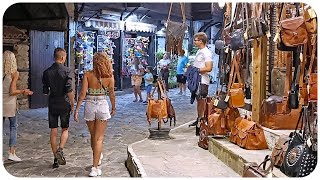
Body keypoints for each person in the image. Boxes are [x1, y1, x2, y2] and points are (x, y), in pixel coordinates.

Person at [74, 52, 116, 177]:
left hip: (90, 104)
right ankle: (95, 167)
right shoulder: (109, 76)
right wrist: (113, 107)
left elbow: (82, 94)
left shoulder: (87, 75)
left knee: (93, 136)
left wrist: (76, 110)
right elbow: (112, 94)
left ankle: (97, 158)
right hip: (102, 104)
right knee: (99, 138)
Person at [42, 47, 74, 168]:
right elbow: (69, 89)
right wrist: (72, 103)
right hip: (64, 102)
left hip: (53, 102)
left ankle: (55, 158)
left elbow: (45, 91)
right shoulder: (67, 71)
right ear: (62, 57)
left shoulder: (47, 72)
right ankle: (60, 149)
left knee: (53, 130)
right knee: (65, 128)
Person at [3, 50, 33, 162]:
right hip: (10, 104)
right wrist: (23, 91)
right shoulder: (14, 73)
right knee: (13, 127)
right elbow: (12, 91)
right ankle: (12, 152)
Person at [189, 32, 213, 136]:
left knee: (202, 101)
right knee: (198, 101)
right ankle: (198, 118)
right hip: (197, 79)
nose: (194, 41)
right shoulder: (200, 51)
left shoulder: (206, 53)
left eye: (196, 40)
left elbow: (209, 68)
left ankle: (201, 121)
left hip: (202, 80)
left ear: (201, 41)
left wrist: (196, 70)